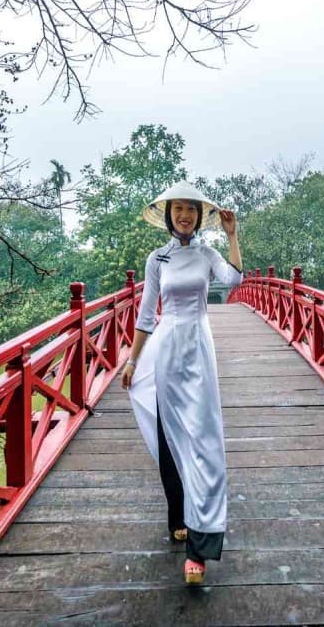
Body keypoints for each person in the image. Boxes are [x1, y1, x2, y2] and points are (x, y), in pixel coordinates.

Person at [120, 180, 243, 585]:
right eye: (179, 210)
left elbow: (234, 282)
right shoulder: (157, 260)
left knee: (203, 439)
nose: (185, 215)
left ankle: (200, 546)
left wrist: (232, 237)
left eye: (192, 209)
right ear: (169, 216)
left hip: (199, 347)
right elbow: (145, 316)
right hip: (166, 351)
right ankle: (179, 515)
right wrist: (132, 360)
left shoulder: (208, 254)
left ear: (199, 216)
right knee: (169, 434)